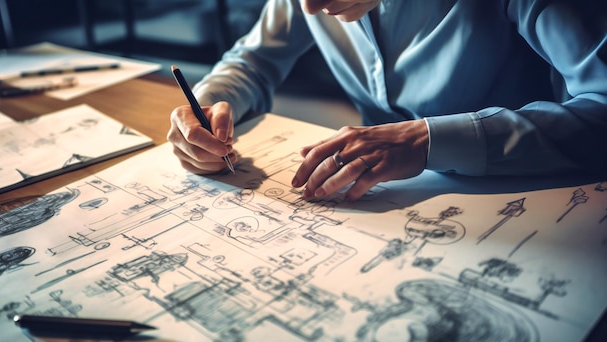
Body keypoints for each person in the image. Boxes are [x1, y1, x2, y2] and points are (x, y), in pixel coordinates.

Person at [168, 0, 607, 201]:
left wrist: (427, 140)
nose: (307, 6)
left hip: (534, 201)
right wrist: (207, 106)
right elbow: (253, 60)